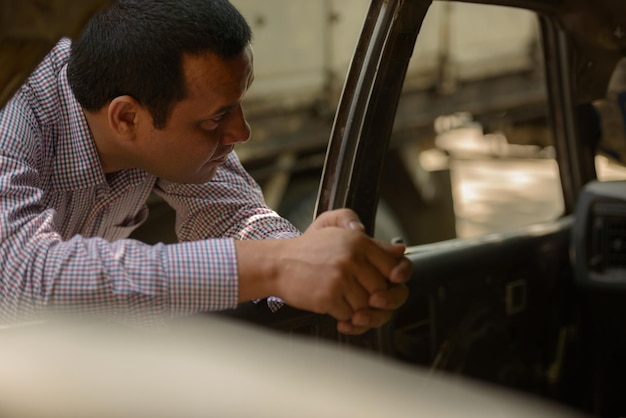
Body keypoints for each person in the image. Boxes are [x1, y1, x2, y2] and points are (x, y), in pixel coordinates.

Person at [0, 0, 411, 334]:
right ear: (126, 119)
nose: (242, 132)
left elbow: (234, 216)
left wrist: (318, 267)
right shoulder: (13, 113)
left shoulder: (148, 98)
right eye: (216, 118)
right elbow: (23, 275)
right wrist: (278, 265)